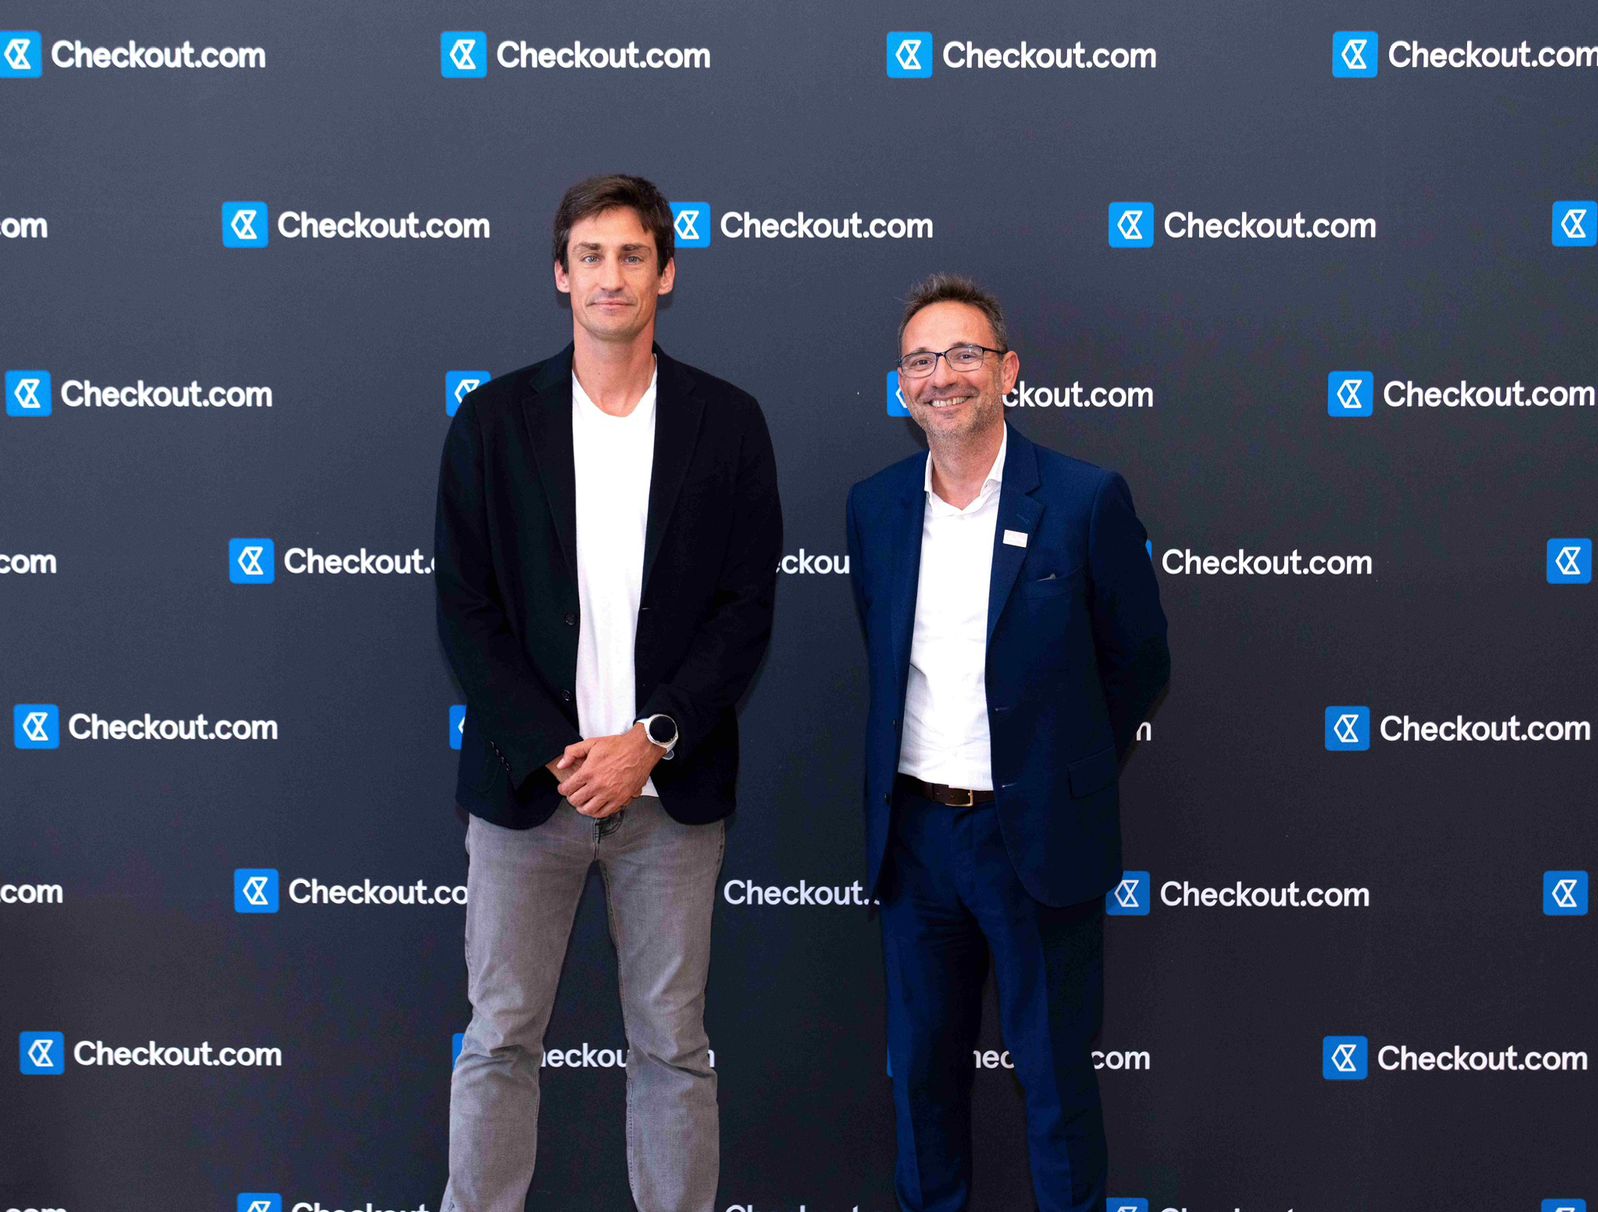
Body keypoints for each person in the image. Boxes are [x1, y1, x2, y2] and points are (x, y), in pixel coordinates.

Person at [434, 174, 782, 1212]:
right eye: (591, 255)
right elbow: (466, 611)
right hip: (526, 792)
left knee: (672, 1045)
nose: (611, 275)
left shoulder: (727, 422)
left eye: (633, 254)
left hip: (668, 796)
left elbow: (745, 610)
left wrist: (651, 739)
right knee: (499, 1039)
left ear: (666, 274)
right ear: (561, 275)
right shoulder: (493, 422)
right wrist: (559, 751)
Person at [845, 274, 1169, 1212]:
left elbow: (1139, 662)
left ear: (1008, 370)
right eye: (920, 361)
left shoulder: (1083, 499)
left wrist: (1060, 771)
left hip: (1036, 840)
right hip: (915, 842)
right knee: (923, 1083)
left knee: (1056, 1085)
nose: (941, 376)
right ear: (902, 385)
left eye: (963, 354)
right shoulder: (875, 507)